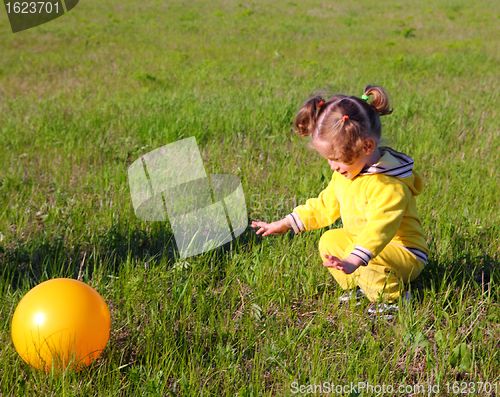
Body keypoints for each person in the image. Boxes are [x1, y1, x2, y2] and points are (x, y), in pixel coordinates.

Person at [251, 85, 429, 318]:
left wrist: (355, 258)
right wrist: (286, 223)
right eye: (328, 159)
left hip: (402, 251)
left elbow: (380, 229)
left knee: (369, 259)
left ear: (366, 147)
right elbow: (324, 204)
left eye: (338, 159)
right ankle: (358, 287)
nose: (333, 166)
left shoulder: (388, 186)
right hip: (365, 245)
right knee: (329, 240)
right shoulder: (346, 175)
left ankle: (393, 299)